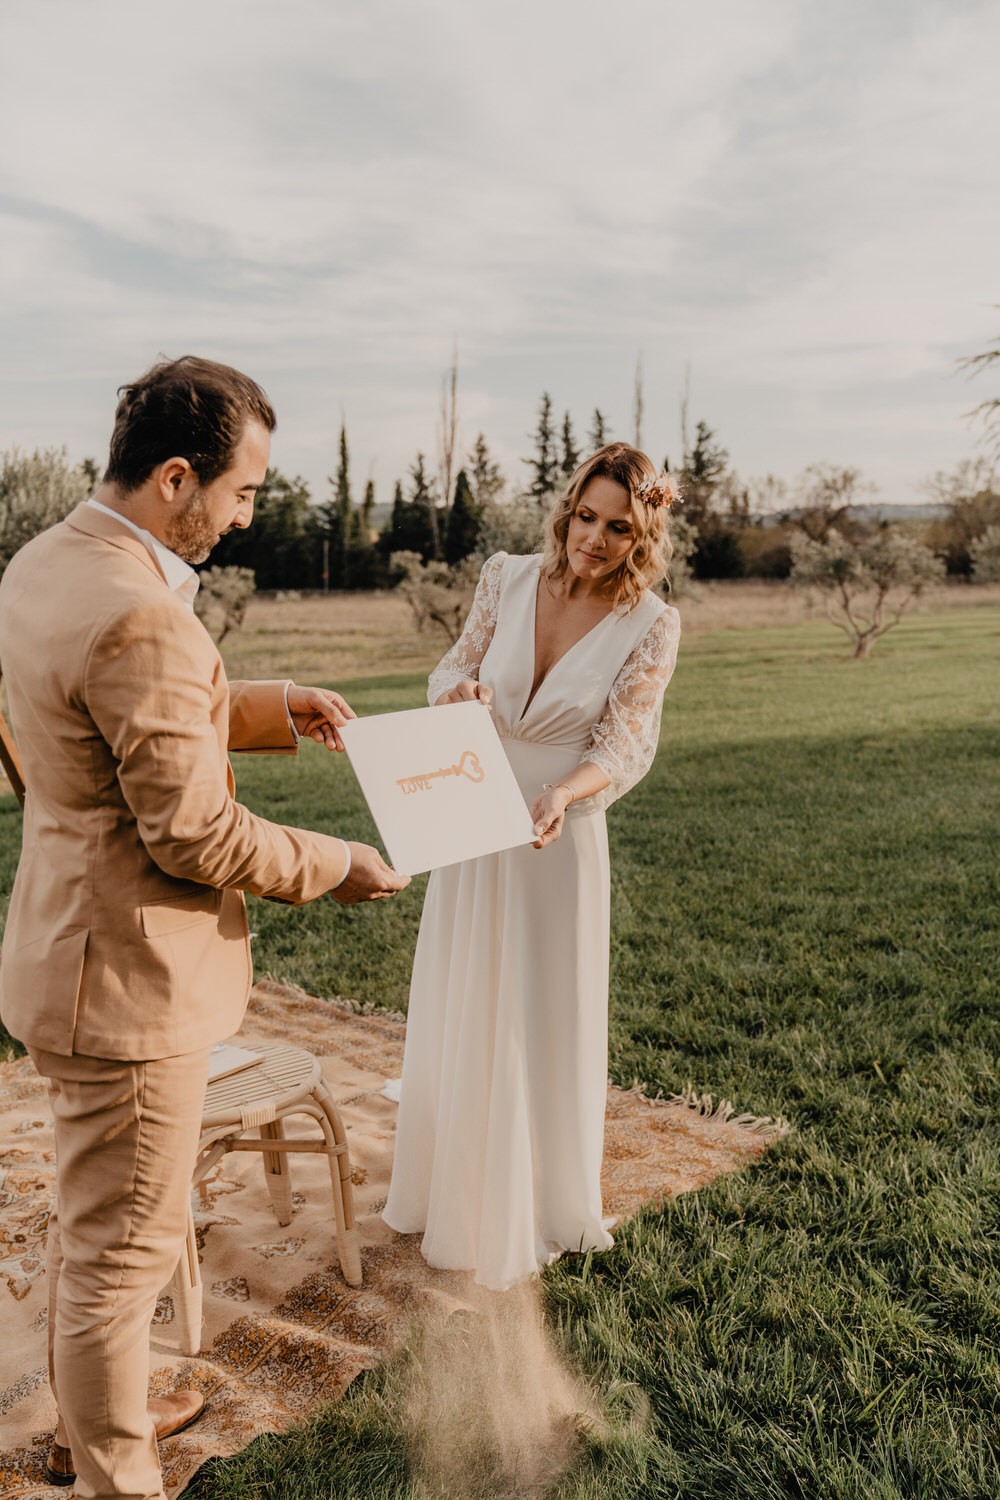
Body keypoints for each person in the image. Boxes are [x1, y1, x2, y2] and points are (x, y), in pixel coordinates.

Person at [0, 356, 409, 1500]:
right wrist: (336, 865)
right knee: (117, 1257)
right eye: (240, 492)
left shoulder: (47, 564)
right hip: (124, 986)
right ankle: (115, 1478)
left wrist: (266, 710)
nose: (243, 515)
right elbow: (193, 834)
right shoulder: (141, 612)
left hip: (61, 947)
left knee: (112, 1227)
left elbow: (101, 721)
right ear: (176, 477)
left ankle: (115, 1408)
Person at [383, 442, 682, 1290]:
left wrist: (563, 796)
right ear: (567, 509)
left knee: (539, 1006)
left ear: (643, 535)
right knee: (466, 990)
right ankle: (450, 1178)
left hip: (557, 831)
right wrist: (461, 695)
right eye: (585, 516)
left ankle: (540, 1196)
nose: (593, 538)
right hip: (474, 815)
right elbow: (452, 667)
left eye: (617, 527)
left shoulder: (652, 623)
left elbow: (624, 743)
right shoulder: (505, 577)